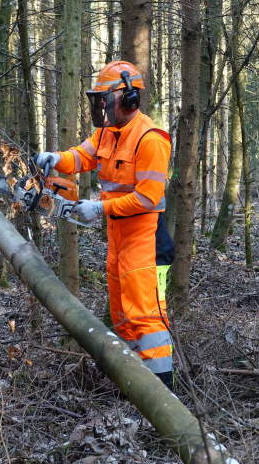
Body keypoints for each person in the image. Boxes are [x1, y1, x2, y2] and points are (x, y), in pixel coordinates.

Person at [37, 61, 176, 390]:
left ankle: (164, 400)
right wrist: (56, 159)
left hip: (147, 241)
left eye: (104, 99)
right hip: (120, 241)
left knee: (148, 321)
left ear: (128, 98)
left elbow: (146, 198)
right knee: (123, 317)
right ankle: (135, 387)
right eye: (97, 99)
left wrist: (98, 209)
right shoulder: (106, 134)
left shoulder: (150, 139)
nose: (100, 106)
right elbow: (80, 157)